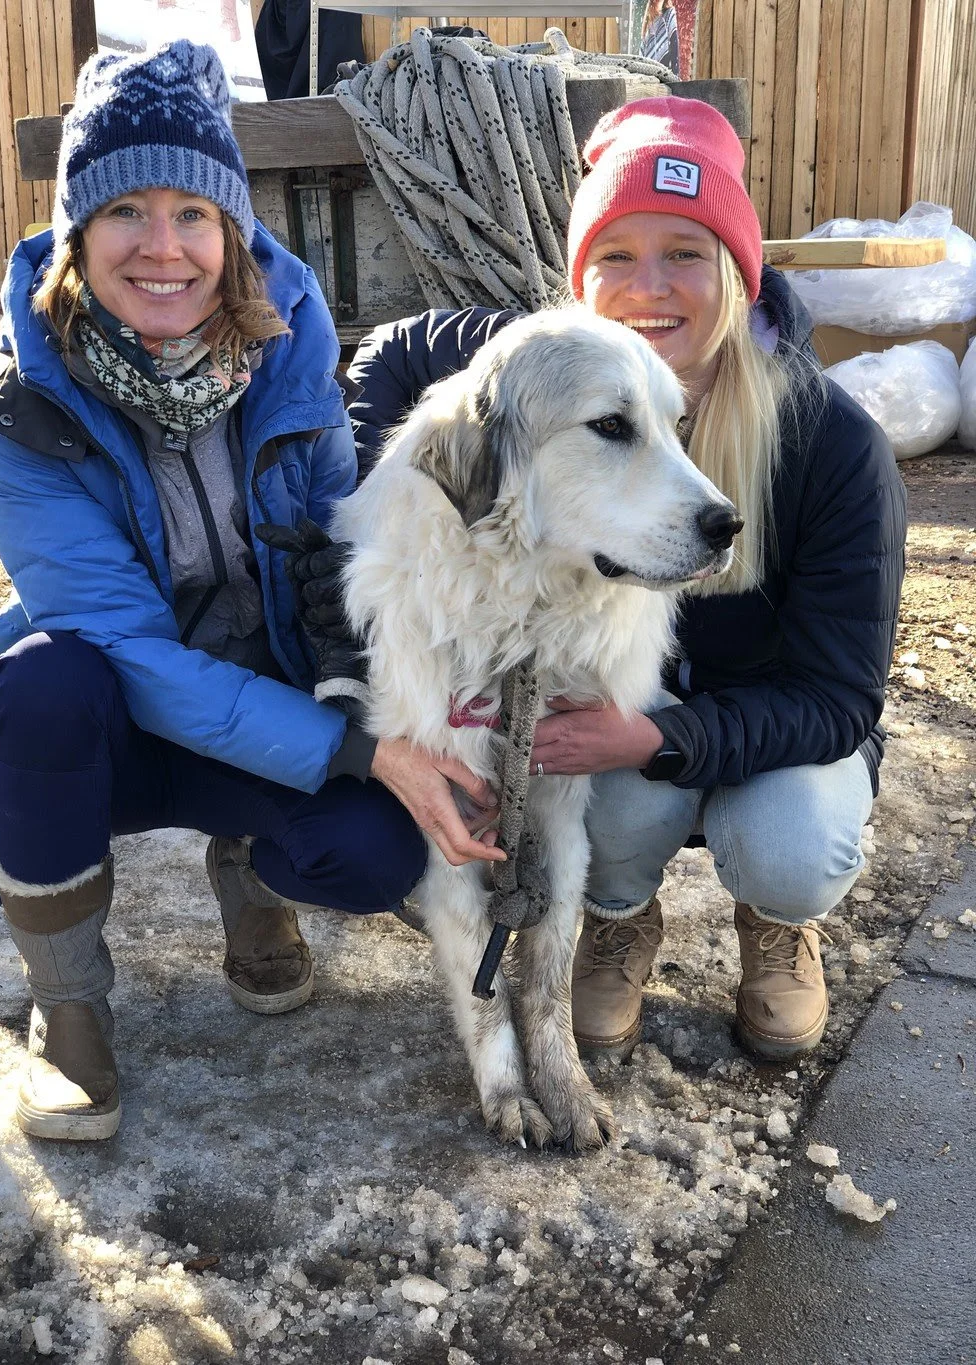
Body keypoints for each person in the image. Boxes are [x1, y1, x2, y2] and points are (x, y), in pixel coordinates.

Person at [0, 39, 503, 1142]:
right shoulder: (22, 407)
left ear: (233, 231)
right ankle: (70, 1013)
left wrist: (412, 710)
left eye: (193, 214)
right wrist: (360, 751)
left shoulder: (292, 348)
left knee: (372, 851)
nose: (163, 247)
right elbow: (127, 647)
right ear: (77, 232)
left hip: (268, 696)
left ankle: (250, 871)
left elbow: (343, 556)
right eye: (125, 211)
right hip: (115, 717)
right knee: (41, 686)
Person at [342, 97, 907, 1062]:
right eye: (615, 254)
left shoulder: (833, 444)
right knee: (587, 800)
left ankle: (776, 922)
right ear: (579, 282)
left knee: (790, 841)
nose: (648, 287)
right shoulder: (549, 367)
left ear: (736, 272)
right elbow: (392, 357)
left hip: (774, 734)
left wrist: (657, 735)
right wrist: (383, 495)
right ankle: (618, 915)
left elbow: (839, 699)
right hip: (617, 719)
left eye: (685, 251)